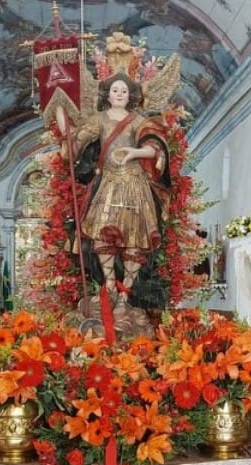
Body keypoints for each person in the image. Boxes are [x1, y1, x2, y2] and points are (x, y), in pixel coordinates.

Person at [57, 72, 171, 307]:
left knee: (135, 239)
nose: (119, 94)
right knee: (101, 233)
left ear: (130, 96)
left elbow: (155, 146)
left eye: (124, 91)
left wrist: (135, 152)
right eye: (115, 90)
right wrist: (60, 114)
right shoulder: (99, 119)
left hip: (134, 182)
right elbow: (76, 141)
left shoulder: (138, 120)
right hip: (107, 182)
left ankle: (126, 292)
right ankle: (109, 284)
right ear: (107, 95)